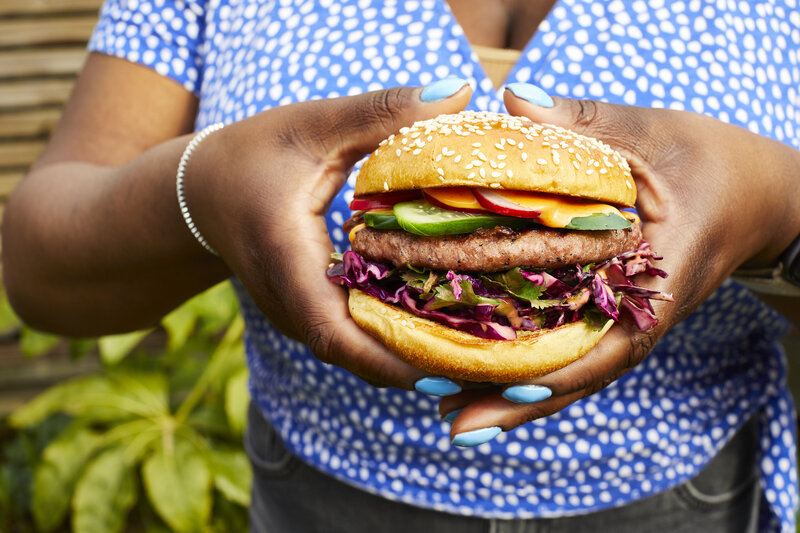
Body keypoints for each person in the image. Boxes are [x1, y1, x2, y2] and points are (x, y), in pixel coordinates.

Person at [3, 0, 799, 531]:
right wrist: (199, 185)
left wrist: (778, 207)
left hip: (690, 502)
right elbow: (38, 265)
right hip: (317, 497)